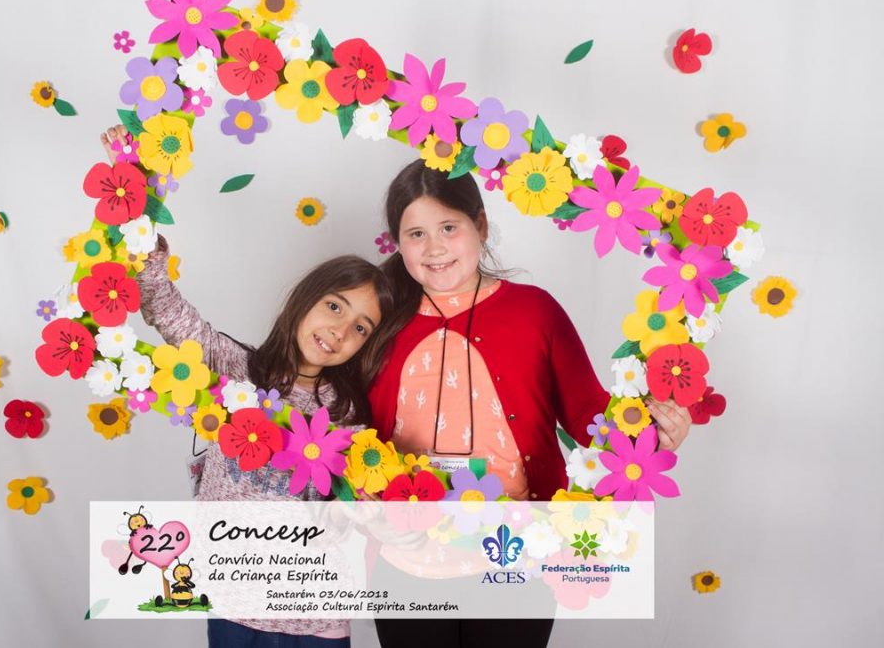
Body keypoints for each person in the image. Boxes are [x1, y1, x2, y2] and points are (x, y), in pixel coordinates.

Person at [367, 160, 694, 647]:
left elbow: (588, 416)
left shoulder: (535, 310)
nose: (434, 247)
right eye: (416, 234)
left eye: (449, 227)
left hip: (517, 554)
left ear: (480, 225)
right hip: (407, 558)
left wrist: (651, 433)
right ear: (397, 242)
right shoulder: (378, 318)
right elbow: (349, 427)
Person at [101, 127, 395, 647]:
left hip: (315, 619)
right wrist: (135, 193)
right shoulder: (233, 368)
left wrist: (361, 506)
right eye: (334, 306)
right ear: (305, 299)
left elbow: (348, 510)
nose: (339, 330)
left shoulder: (348, 414)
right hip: (233, 607)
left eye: (360, 328)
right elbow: (162, 304)